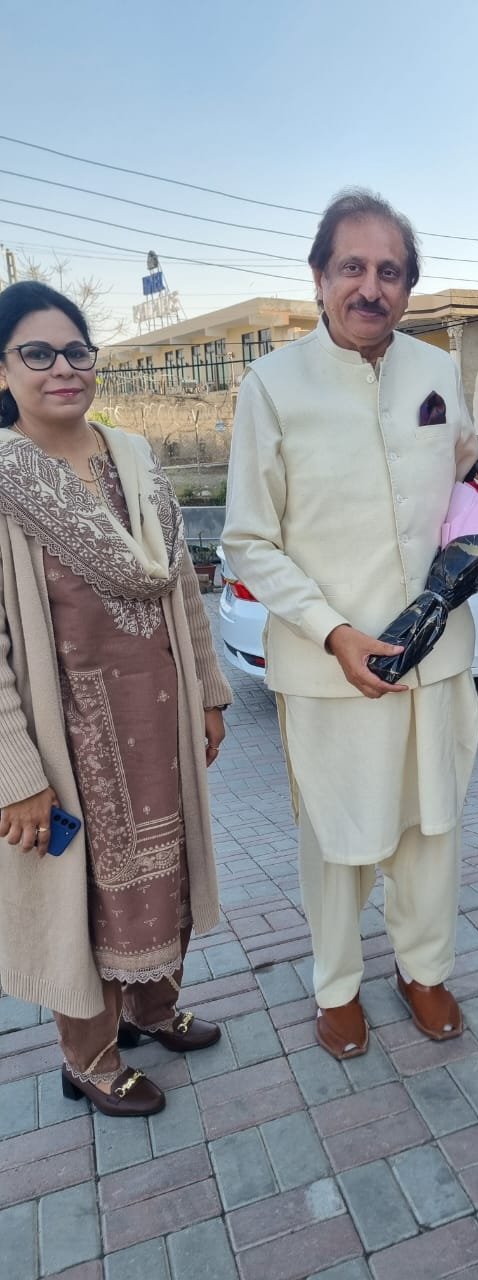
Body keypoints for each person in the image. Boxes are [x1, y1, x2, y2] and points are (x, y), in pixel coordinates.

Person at [223, 190, 478, 1058]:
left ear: (409, 286)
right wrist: (334, 633)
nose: (372, 288)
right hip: (328, 668)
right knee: (336, 841)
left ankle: (424, 970)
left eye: (391, 272)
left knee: (432, 829)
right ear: (319, 275)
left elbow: (474, 483)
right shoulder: (272, 386)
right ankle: (336, 986)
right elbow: (247, 540)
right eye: (353, 268)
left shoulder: (437, 370)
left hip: (434, 659)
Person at [0, 281, 233, 1115]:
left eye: (76, 351)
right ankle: (89, 1059)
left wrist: (210, 693)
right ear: (3, 369)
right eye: (38, 353)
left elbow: (180, 592)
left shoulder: (131, 457)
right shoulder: (4, 477)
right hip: (69, 741)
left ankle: (152, 1010)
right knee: (87, 898)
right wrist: (17, 775)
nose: (63, 368)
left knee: (166, 874)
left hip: (157, 722)